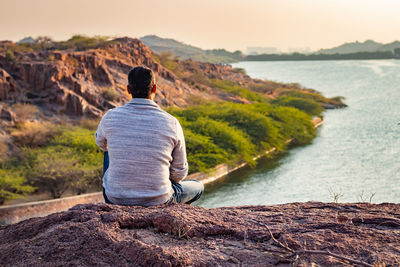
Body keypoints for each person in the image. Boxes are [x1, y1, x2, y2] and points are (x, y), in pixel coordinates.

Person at [95, 66, 203, 206]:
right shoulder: (172, 122)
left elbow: (101, 144)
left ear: (128, 89)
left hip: (114, 198)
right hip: (159, 199)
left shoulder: (109, 117)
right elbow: (179, 173)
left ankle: (121, 190)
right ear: (154, 89)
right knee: (198, 187)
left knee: (108, 150)